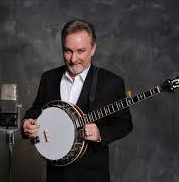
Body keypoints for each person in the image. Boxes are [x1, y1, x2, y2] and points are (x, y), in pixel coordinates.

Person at [21, 19, 133, 182]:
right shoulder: (49, 78)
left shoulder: (111, 82)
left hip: (92, 175)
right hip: (56, 175)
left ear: (93, 48)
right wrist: (27, 123)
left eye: (81, 51)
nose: (73, 59)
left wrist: (100, 134)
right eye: (68, 51)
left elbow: (125, 124)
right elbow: (37, 109)